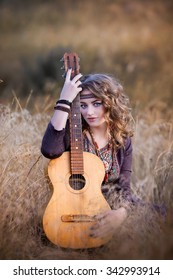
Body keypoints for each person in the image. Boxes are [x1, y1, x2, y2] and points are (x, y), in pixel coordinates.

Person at [41, 68, 135, 240]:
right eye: (83, 105)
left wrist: (120, 215)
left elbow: (124, 189)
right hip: (69, 208)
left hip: (106, 210)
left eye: (96, 104)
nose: (89, 112)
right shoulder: (73, 134)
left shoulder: (122, 141)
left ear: (110, 103)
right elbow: (50, 150)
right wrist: (64, 99)